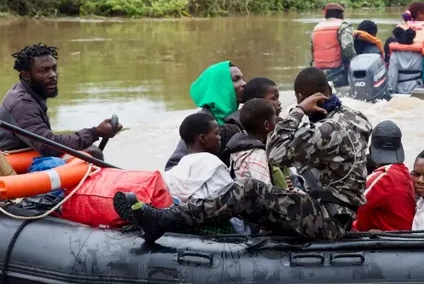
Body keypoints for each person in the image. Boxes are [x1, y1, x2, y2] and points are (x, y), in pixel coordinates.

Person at [115, 68, 372, 243]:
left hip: (328, 220)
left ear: (303, 97)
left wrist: (299, 110)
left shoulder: (328, 129)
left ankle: (165, 219)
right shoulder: (353, 118)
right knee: (252, 193)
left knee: (247, 189)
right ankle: (170, 218)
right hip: (335, 212)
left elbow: (276, 152)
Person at [0, 44, 121, 167]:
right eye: (43, 71)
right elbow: (48, 145)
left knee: (90, 150)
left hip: (25, 154)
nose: (53, 75)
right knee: (92, 152)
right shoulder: (22, 105)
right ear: (26, 75)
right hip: (10, 167)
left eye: (54, 68)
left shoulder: (27, 92)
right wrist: (95, 132)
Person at [164, 61, 248, 170]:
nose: (244, 83)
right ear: (219, 86)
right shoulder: (201, 121)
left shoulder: (240, 117)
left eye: (242, 78)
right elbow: (173, 166)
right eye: (236, 79)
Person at [353, 120, 416, 231]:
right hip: (397, 234)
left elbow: (351, 203)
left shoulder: (385, 176)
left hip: (386, 237)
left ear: (371, 150)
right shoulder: (404, 172)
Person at [162, 112, 234, 202]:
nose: (219, 137)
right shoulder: (213, 164)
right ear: (202, 138)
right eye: (216, 133)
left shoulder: (174, 172)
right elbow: (230, 200)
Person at [227, 98, 288, 187]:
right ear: (267, 125)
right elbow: (265, 191)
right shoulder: (258, 154)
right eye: (274, 120)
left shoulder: (238, 148)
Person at [311, 2, 356, 87]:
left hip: (317, 73)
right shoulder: (344, 26)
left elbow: (313, 51)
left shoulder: (316, 28)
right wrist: (356, 62)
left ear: (326, 15)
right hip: (338, 72)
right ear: (340, 14)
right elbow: (348, 48)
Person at [386, 28, 424, 95]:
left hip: (401, 89)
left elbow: (393, 76)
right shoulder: (420, 53)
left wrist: (391, 91)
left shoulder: (395, 55)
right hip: (418, 87)